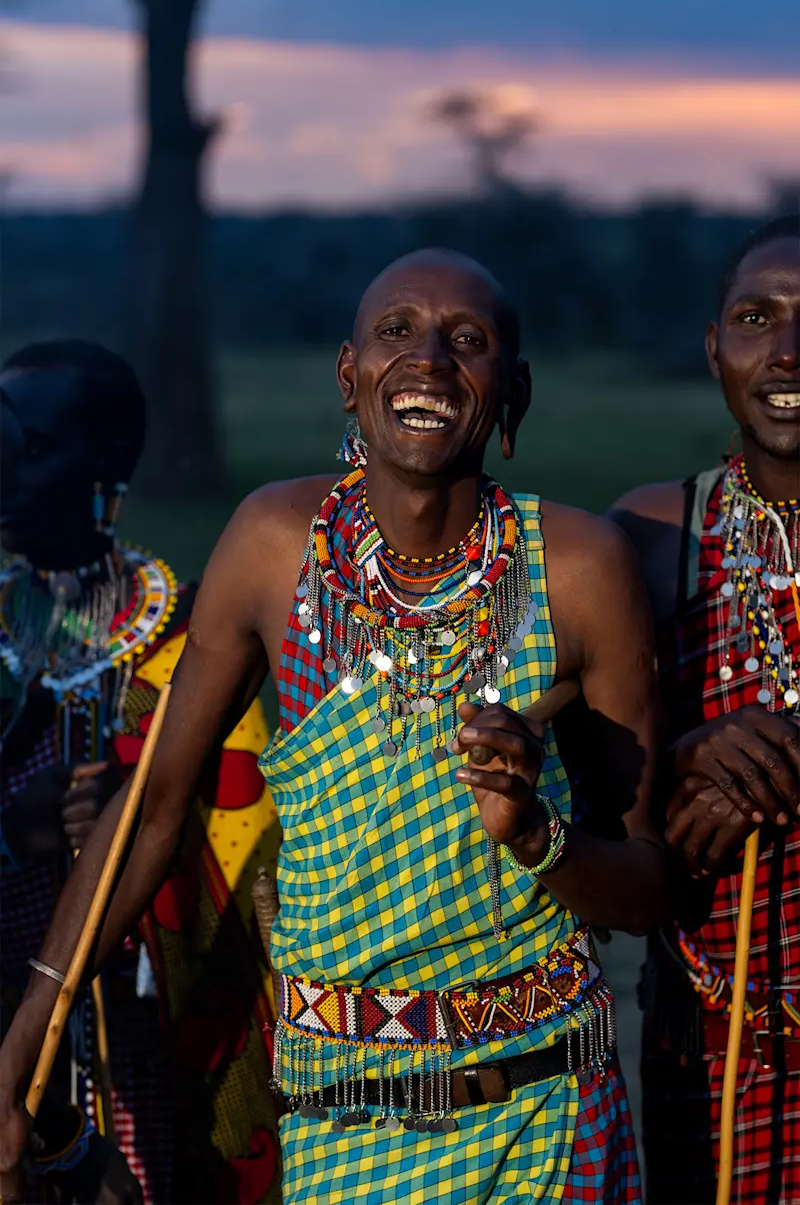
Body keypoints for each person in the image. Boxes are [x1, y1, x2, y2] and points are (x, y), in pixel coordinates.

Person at [1, 256, 669, 1204]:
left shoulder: (579, 568)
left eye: (467, 342)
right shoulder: (274, 544)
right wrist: (28, 1031)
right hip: (340, 1123)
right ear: (348, 377)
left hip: (548, 1109)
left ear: (511, 395)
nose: (430, 361)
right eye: (397, 332)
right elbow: (153, 808)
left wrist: (535, 833)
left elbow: (643, 889)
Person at [0, 340, 281, 1205]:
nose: (6, 470)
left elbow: (251, 843)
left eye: (30, 449)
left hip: (152, 1033)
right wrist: (18, 830)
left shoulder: (192, 635)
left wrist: (142, 821)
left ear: (109, 463)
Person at [609, 214, 800, 1205]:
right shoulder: (649, 535)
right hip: (709, 1044)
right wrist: (679, 763)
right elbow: (582, 775)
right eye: (753, 317)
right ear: (711, 346)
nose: (785, 351)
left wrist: (782, 757)